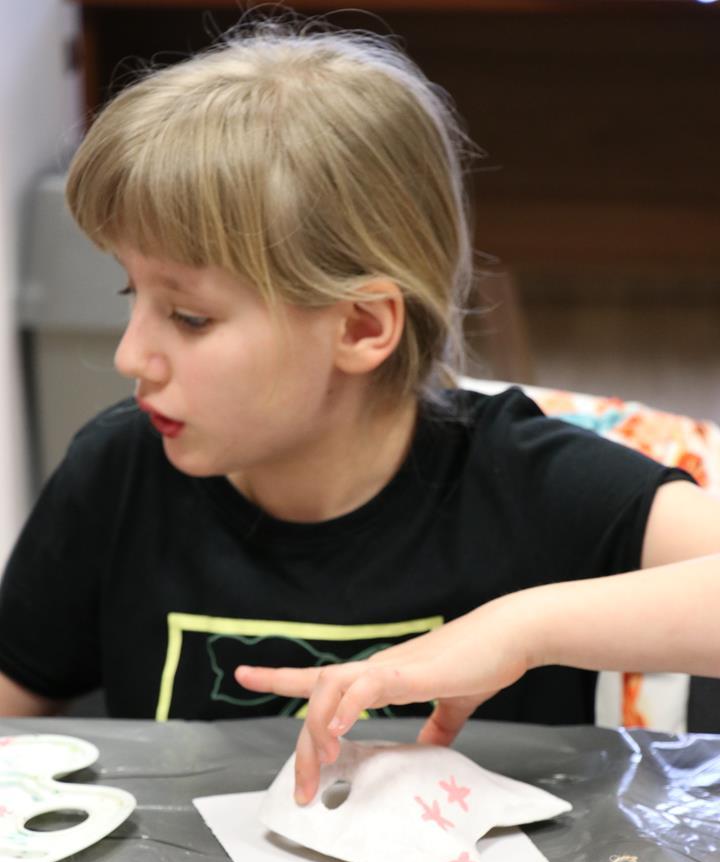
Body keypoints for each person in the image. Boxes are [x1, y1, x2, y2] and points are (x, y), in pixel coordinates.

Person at [0, 19, 718, 755]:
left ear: (361, 327)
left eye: (190, 317)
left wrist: (522, 629)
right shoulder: (117, 473)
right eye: (133, 295)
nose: (130, 356)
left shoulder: (523, 484)